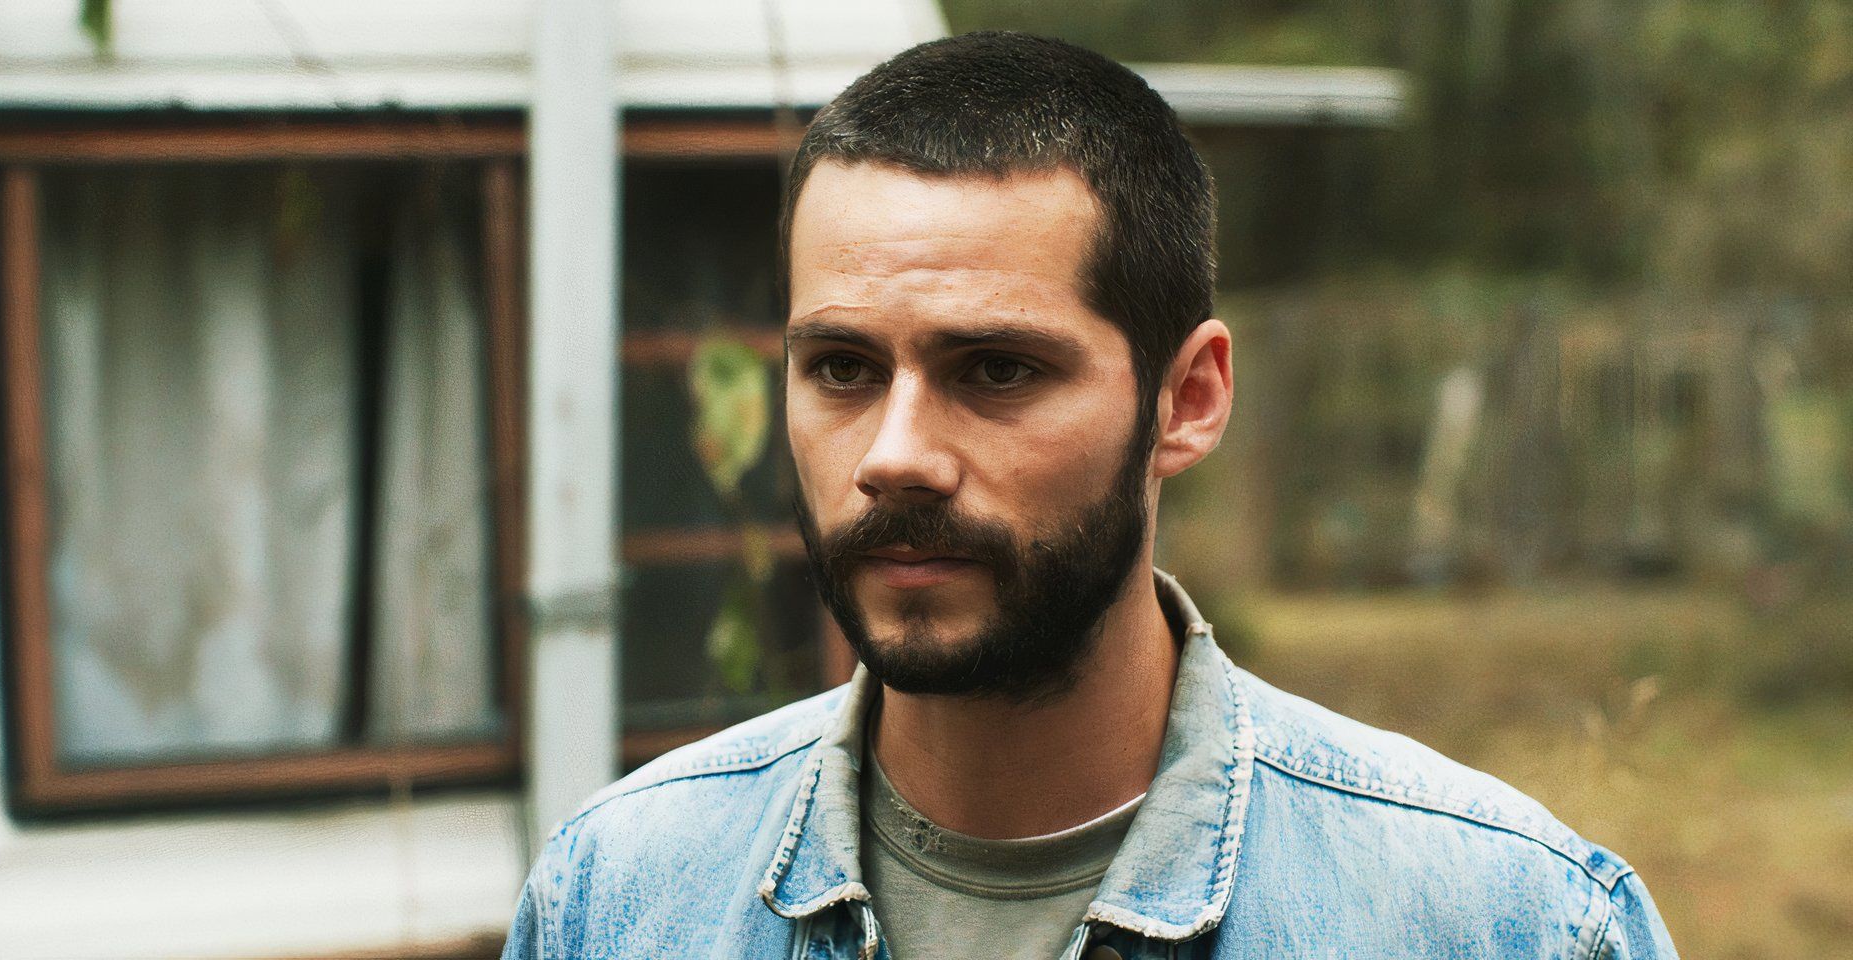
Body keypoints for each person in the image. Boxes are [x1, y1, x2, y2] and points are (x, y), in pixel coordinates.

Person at [501, 31, 1679, 960]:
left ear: (1189, 399)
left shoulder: (1499, 924)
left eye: (998, 369)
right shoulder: (618, 897)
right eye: (843, 370)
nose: (895, 454)